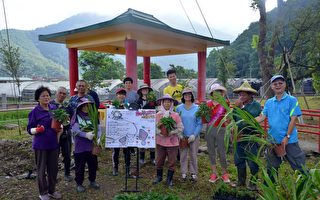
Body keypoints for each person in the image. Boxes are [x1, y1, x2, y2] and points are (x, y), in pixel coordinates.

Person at [256, 75, 306, 183]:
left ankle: (307, 187)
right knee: (271, 167)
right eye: (275, 84)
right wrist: (246, 120)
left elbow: (293, 119)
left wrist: (287, 137)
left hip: (289, 140)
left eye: (280, 83)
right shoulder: (269, 102)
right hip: (272, 140)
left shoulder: (292, 100)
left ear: (285, 85)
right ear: (271, 86)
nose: (278, 85)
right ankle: (270, 189)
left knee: (299, 165)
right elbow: (261, 117)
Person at [27, 86, 62, 200]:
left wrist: (60, 125)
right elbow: (29, 129)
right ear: (38, 98)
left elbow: (59, 122)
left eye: (47, 95)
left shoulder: (54, 108)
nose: (46, 97)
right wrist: (36, 130)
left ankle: (52, 190)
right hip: (40, 145)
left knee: (53, 169)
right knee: (41, 170)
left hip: (53, 144)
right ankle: (43, 192)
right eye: (43, 96)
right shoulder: (35, 112)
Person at [233, 81, 261, 190]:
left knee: (253, 161)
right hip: (239, 137)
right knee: (239, 160)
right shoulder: (237, 105)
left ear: (250, 95)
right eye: (240, 95)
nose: (241, 97)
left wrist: (240, 108)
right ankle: (241, 181)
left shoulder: (256, 106)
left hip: (251, 137)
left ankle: (253, 183)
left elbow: (248, 121)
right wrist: (236, 109)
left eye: (243, 94)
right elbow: (234, 120)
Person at [153, 94, 183, 187]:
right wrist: (159, 132)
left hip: (172, 142)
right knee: (159, 160)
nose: (167, 103)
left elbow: (181, 127)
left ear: (172, 103)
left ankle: (169, 180)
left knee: (172, 161)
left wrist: (173, 132)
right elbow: (153, 127)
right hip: (160, 141)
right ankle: (159, 177)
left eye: (169, 102)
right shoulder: (158, 115)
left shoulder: (175, 115)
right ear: (162, 103)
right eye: (165, 102)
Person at [71, 98, 101, 193]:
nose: (85, 107)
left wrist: (99, 137)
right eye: (83, 106)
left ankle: (92, 180)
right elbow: (75, 130)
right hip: (80, 146)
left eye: (87, 105)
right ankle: (79, 183)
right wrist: (85, 135)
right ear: (80, 107)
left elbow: (99, 128)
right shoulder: (77, 116)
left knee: (93, 164)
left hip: (92, 146)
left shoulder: (93, 116)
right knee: (80, 166)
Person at [205, 83, 231, 183]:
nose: (217, 93)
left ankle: (224, 173)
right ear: (212, 93)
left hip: (222, 129)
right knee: (211, 151)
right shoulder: (208, 105)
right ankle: (214, 173)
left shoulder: (226, 103)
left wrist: (228, 121)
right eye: (215, 92)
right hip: (210, 129)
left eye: (219, 92)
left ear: (222, 93)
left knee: (222, 152)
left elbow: (228, 116)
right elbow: (205, 119)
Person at [176, 88, 202, 182]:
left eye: (189, 94)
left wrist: (194, 135)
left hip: (193, 136)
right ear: (183, 96)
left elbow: (199, 123)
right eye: (185, 94)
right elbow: (177, 121)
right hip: (182, 136)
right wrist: (179, 133)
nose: (187, 96)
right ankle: (183, 173)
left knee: (193, 155)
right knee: (183, 155)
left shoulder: (197, 108)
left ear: (192, 95)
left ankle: (193, 173)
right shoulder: (179, 108)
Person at [50, 86, 73, 182]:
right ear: (56, 93)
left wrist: (68, 120)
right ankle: (53, 175)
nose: (62, 95)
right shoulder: (50, 104)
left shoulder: (67, 105)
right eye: (60, 93)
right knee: (54, 155)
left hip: (66, 133)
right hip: (53, 134)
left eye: (64, 93)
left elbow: (73, 117)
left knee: (67, 155)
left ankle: (67, 173)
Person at [111, 88, 134, 176]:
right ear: (116, 95)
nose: (121, 95)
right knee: (116, 151)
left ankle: (128, 169)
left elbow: (132, 115)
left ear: (125, 96)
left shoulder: (128, 105)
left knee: (127, 151)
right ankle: (115, 168)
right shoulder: (113, 105)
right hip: (116, 132)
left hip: (126, 131)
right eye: (119, 94)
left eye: (123, 94)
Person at [136, 83, 156, 166]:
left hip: (151, 124)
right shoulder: (138, 101)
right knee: (142, 140)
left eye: (146, 89)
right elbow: (136, 112)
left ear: (148, 91)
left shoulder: (153, 100)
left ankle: (152, 158)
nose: (145, 90)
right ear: (141, 91)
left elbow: (156, 110)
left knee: (152, 140)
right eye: (143, 89)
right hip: (141, 123)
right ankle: (142, 158)